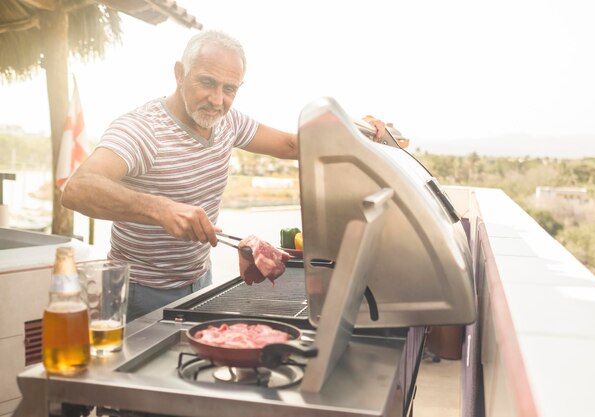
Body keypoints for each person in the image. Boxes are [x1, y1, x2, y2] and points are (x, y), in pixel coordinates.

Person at [62, 30, 385, 322]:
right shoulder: (142, 130)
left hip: (201, 278)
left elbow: (289, 144)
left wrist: (356, 133)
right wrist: (160, 208)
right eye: (206, 82)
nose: (217, 100)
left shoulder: (228, 122)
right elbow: (78, 189)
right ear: (179, 73)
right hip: (140, 289)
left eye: (229, 89)